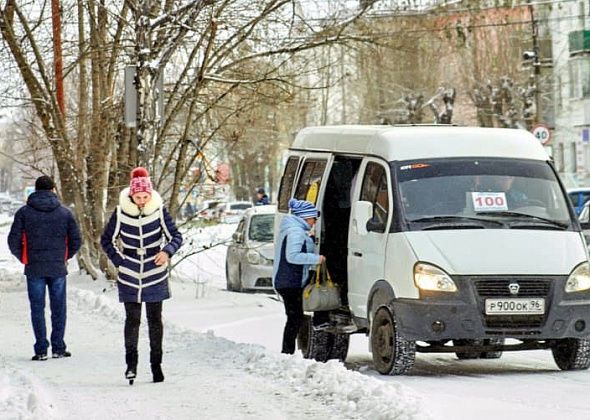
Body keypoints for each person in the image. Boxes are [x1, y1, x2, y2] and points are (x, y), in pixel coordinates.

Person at [100, 167, 182, 384]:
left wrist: (167, 252)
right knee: (132, 320)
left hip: (155, 272)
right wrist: (119, 261)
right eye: (138, 197)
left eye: (145, 196)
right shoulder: (120, 213)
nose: (142, 201)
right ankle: (131, 366)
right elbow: (106, 240)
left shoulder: (159, 210)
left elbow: (176, 236)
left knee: (155, 320)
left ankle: (156, 366)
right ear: (131, 195)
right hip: (129, 272)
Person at [8, 175, 82, 361]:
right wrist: (65, 256)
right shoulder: (64, 213)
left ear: (35, 190)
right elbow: (76, 240)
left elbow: (13, 240)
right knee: (58, 308)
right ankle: (58, 347)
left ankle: (41, 349)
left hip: (34, 267)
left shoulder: (24, 213)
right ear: (53, 190)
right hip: (57, 267)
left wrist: (24, 257)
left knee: (37, 308)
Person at [273, 198, 325, 354]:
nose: (314, 221)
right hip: (290, 282)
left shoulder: (294, 229)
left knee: (295, 318)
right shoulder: (295, 232)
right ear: (304, 216)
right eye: (313, 218)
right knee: (294, 319)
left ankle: (288, 352)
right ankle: (287, 353)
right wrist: (317, 259)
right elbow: (293, 256)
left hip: (288, 280)